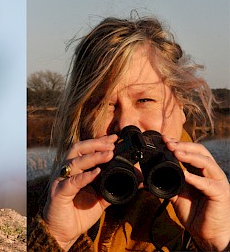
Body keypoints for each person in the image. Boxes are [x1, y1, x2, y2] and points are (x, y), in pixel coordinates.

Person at [27, 16, 230, 251]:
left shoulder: (220, 206)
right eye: (103, 105)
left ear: (181, 106)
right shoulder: (34, 206)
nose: (126, 124)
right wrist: (54, 239)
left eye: (144, 99)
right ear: (81, 117)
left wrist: (218, 242)